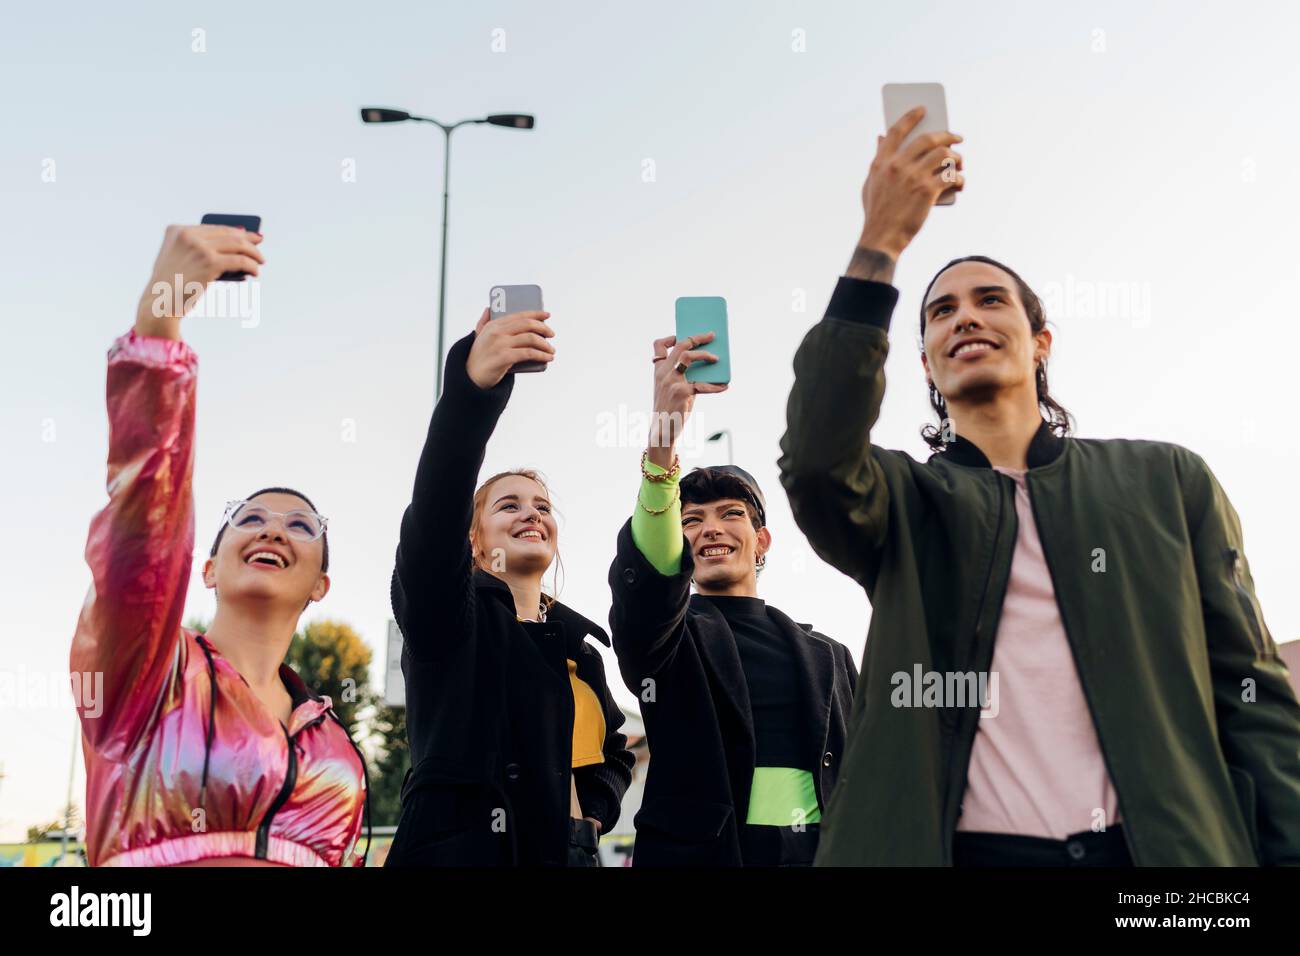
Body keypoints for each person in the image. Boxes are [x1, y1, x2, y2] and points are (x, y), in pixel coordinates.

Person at [778, 106, 1300, 866]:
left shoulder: (1168, 479)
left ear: (1040, 340)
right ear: (922, 361)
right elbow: (817, 461)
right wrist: (880, 244)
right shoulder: (902, 500)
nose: (966, 318)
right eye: (941, 311)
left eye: (991, 300)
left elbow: (1252, 696)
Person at [71, 224, 369, 867]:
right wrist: (159, 324)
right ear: (205, 569)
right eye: (251, 518)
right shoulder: (146, 674)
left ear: (321, 584)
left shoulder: (335, 744)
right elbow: (141, 532)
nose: (270, 529)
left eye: (299, 526)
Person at [387, 307, 634, 867]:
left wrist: (590, 816)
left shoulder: (579, 648)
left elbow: (616, 752)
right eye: (509, 504)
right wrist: (472, 396)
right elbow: (433, 517)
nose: (533, 514)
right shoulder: (449, 617)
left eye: (543, 506)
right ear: (473, 539)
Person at [606, 332, 857, 866]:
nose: (710, 530)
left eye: (730, 514)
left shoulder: (831, 656)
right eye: (690, 521)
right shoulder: (667, 638)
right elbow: (649, 578)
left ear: (762, 540)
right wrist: (664, 433)